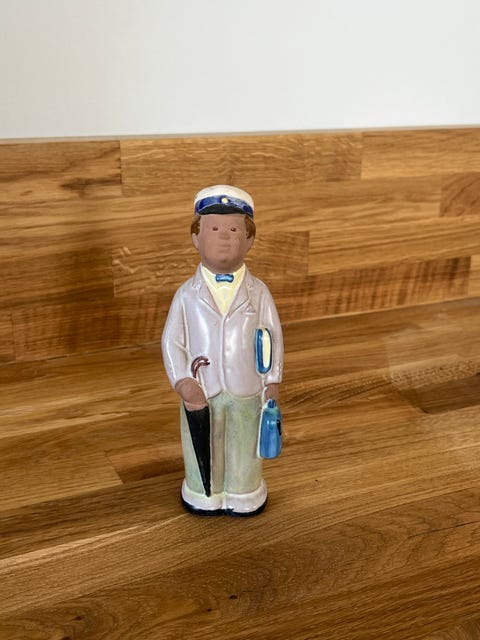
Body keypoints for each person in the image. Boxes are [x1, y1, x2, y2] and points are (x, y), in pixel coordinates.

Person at [162, 185, 283, 516]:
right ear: (196, 238)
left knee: (245, 444)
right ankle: (204, 490)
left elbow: (273, 336)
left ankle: (244, 491)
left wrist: (272, 380)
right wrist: (183, 380)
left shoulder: (259, 293)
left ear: (249, 240)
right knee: (203, 446)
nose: (225, 238)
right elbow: (172, 341)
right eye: (214, 229)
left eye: (234, 230)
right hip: (202, 389)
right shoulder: (186, 295)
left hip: (247, 386)